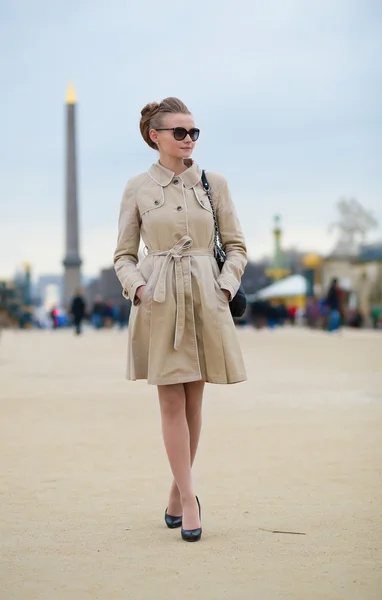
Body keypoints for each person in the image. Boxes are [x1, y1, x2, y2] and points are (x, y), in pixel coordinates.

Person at [113, 97, 247, 542]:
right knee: (171, 402)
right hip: (159, 299)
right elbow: (123, 255)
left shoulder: (215, 184)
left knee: (194, 404)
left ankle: (176, 490)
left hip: (206, 298)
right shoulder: (136, 188)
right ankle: (190, 501)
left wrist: (225, 286)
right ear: (156, 136)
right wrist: (139, 287)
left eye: (194, 132)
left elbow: (237, 246)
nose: (189, 139)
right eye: (180, 132)